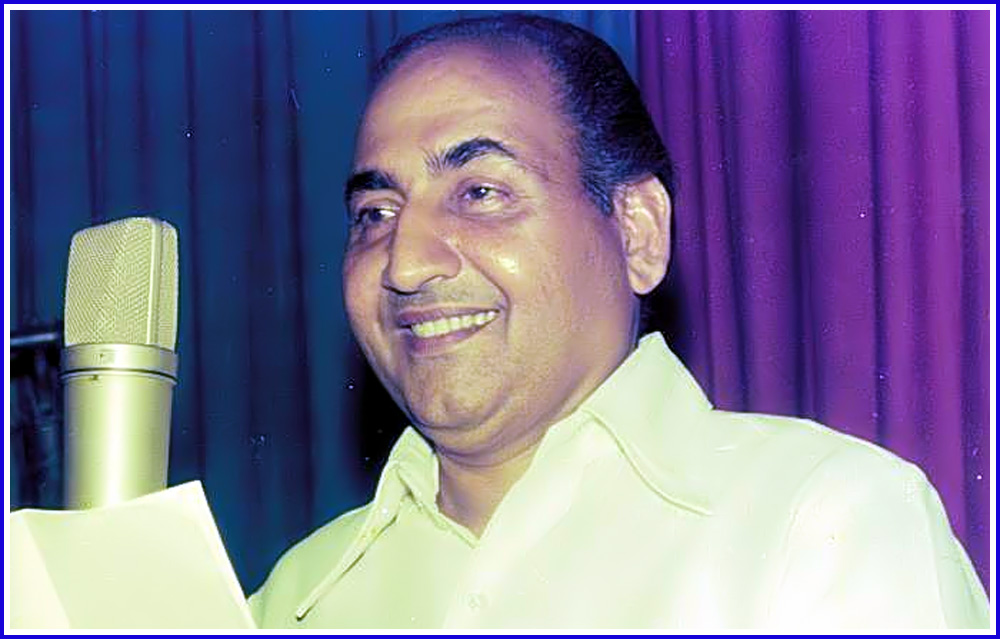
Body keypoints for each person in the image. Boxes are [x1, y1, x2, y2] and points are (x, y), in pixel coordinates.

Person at [249, 14, 989, 629]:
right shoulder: (290, 602)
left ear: (637, 231)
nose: (405, 263)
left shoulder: (822, 522)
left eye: (480, 193)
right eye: (375, 213)